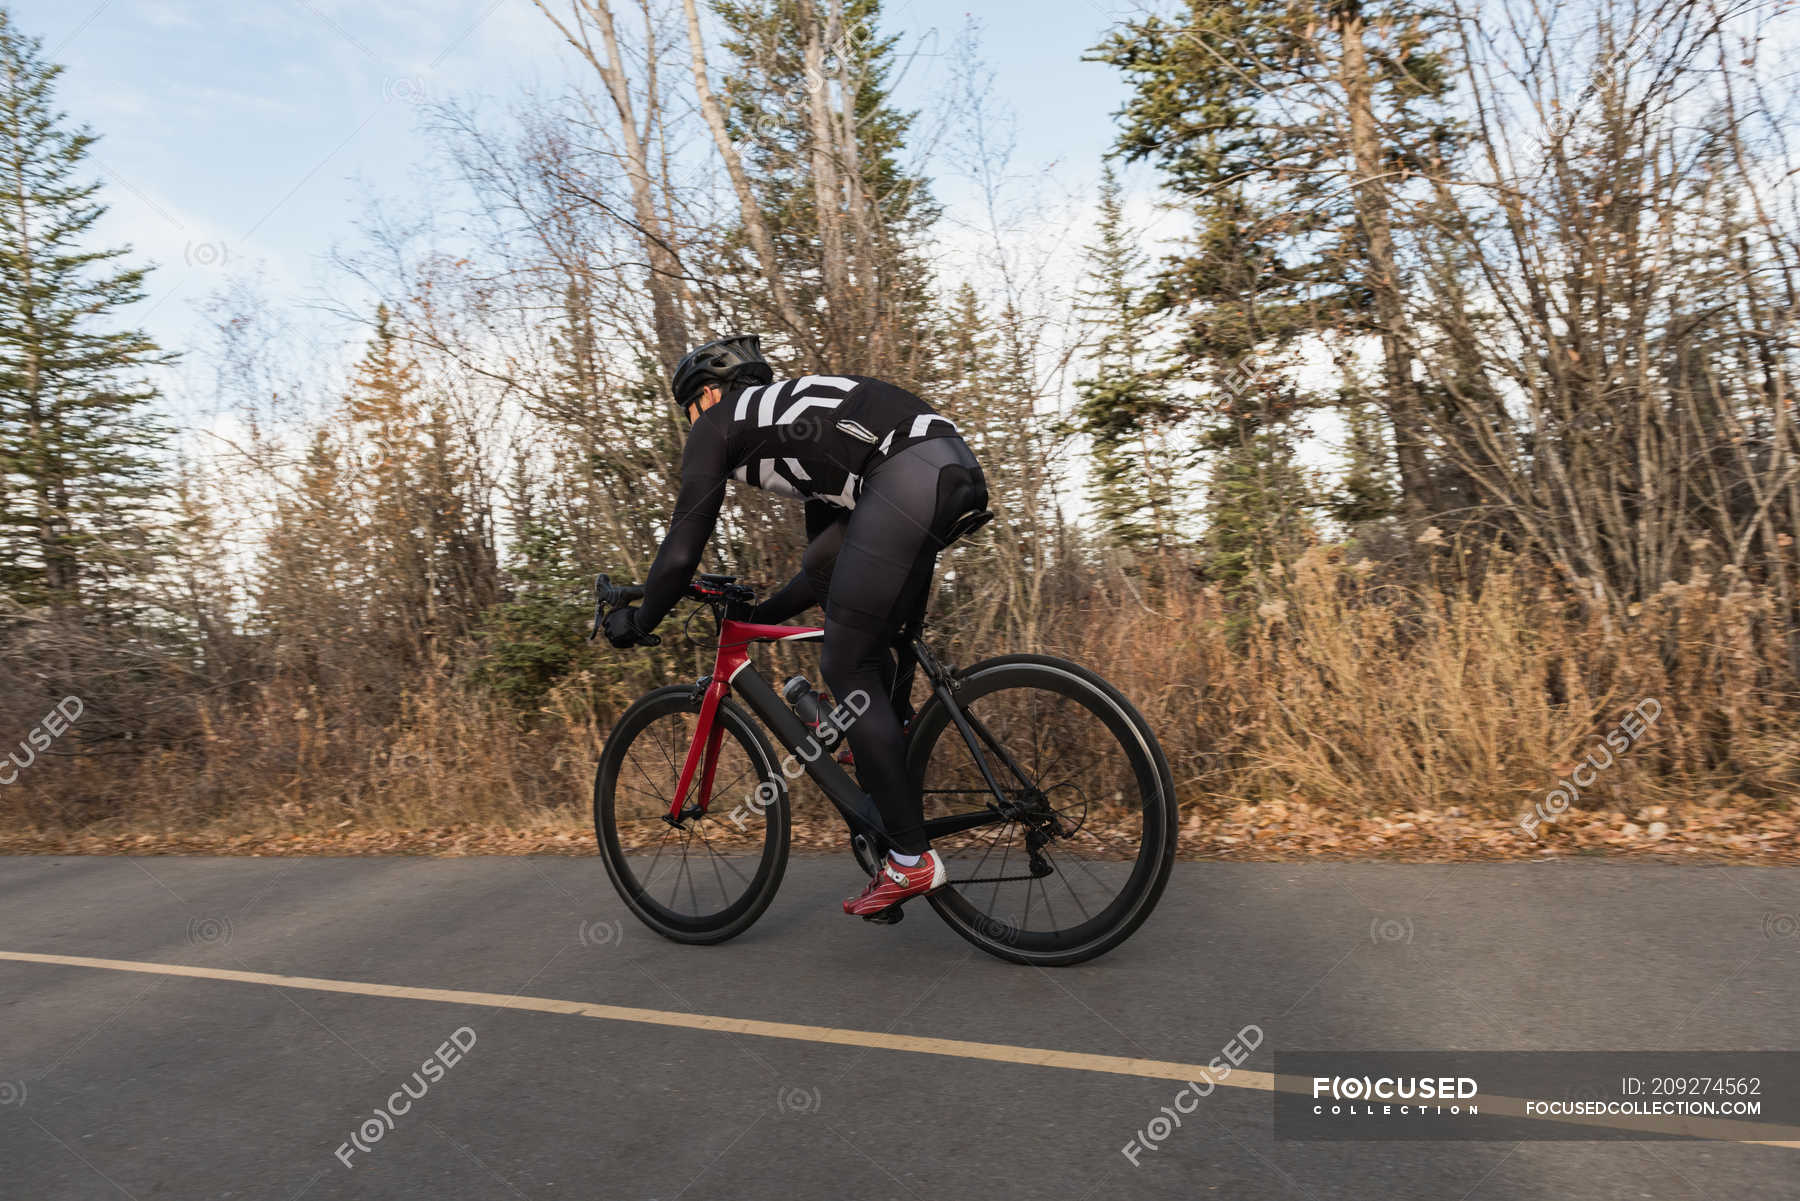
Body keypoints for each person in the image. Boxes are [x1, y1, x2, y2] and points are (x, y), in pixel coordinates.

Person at [601, 334, 990, 917]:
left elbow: (681, 552)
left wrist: (640, 618)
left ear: (708, 395)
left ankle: (911, 862)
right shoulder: (799, 420)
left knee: (845, 662)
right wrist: (758, 615)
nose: (691, 423)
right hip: (946, 468)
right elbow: (826, 566)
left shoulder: (718, 423)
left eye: (688, 409)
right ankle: (889, 754)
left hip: (906, 474)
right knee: (855, 626)